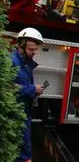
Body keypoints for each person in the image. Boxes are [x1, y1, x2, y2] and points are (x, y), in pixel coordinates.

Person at [12, 27, 45, 162]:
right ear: (21, 45)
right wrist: (32, 89)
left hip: (23, 111)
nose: (34, 53)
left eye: (35, 49)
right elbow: (7, 87)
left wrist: (34, 91)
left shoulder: (25, 63)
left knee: (24, 149)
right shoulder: (12, 61)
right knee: (20, 150)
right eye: (31, 50)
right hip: (15, 113)